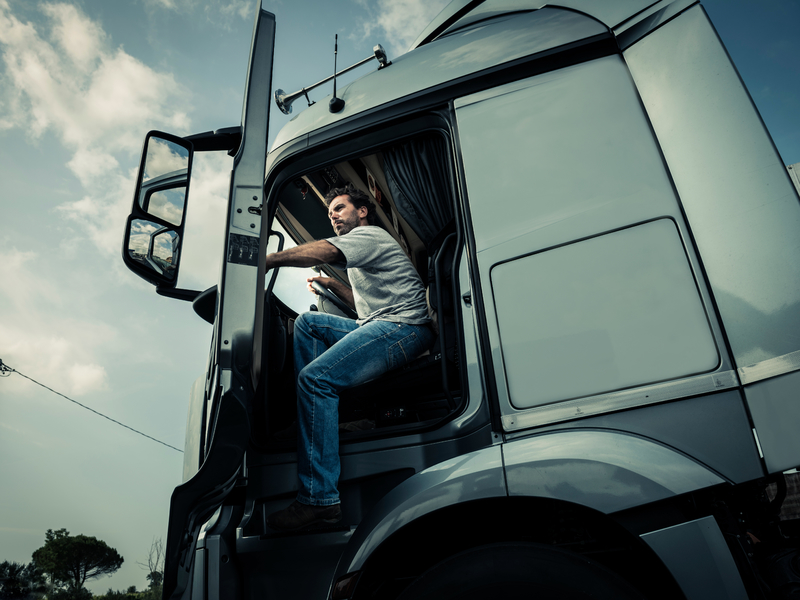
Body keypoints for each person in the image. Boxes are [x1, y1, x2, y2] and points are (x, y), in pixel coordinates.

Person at [266, 183, 434, 530]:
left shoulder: (369, 235)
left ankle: (319, 499)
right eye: (330, 213)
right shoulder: (361, 256)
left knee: (314, 379)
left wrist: (266, 259)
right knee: (309, 323)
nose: (333, 217)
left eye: (339, 209)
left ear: (362, 211)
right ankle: (319, 420)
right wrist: (332, 286)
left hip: (406, 327)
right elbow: (365, 309)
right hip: (382, 321)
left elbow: (324, 252)